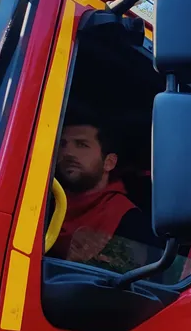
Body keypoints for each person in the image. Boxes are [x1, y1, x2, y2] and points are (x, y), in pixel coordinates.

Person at [48, 113, 162, 272]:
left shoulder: (129, 221)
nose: (68, 152)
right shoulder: (41, 202)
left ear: (109, 162)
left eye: (81, 145)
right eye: (62, 144)